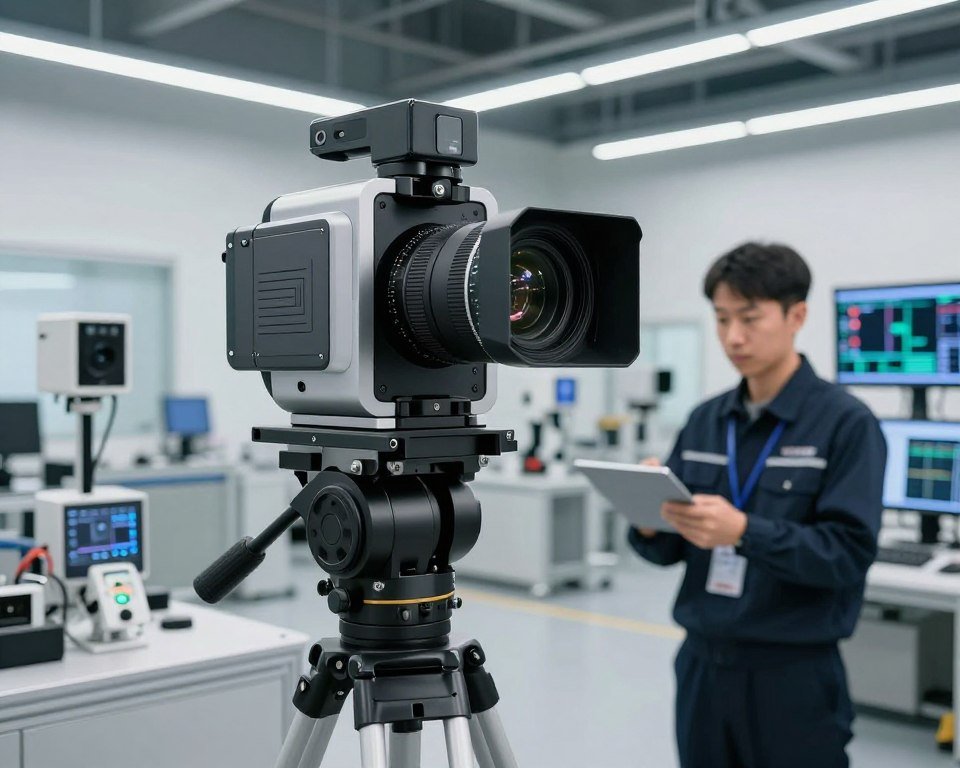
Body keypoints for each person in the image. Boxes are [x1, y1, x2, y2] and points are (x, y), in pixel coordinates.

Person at [630, 242, 886, 768]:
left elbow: (846, 554)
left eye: (749, 318)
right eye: (722, 320)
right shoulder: (705, 420)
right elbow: (671, 551)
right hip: (702, 666)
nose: (733, 338)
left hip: (792, 677)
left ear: (797, 316)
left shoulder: (846, 424)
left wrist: (745, 531)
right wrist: (650, 520)